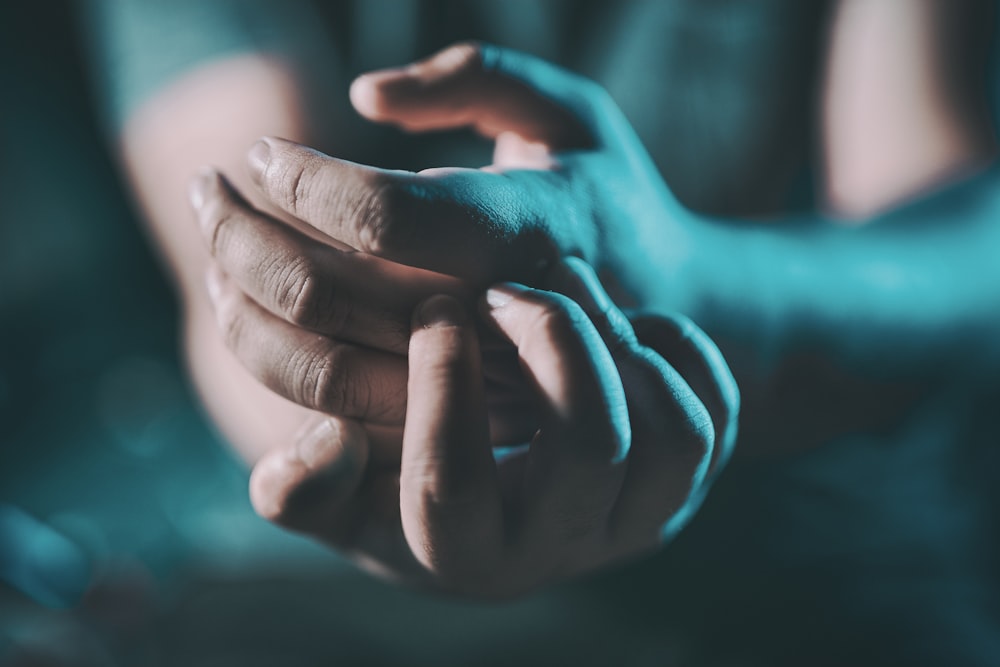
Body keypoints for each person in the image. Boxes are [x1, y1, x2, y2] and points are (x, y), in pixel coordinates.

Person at [84, 0, 1000, 662]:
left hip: (818, 561)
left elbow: (959, 248)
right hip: (324, 592)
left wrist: (695, 291)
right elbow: (236, 252)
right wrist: (361, 447)